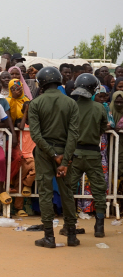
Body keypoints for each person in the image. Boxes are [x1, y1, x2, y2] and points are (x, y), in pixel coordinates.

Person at [28, 67, 79, 248]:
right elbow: (74, 134)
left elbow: (35, 135)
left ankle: (49, 236)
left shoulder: (35, 104)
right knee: (67, 192)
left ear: (41, 83)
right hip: (66, 152)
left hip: (44, 152)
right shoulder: (71, 103)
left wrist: (53, 155)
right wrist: (64, 160)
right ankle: (71, 235)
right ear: (58, 81)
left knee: (45, 192)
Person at [68, 74, 108, 238]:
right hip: (93, 154)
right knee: (99, 190)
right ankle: (99, 226)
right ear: (94, 89)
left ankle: (69, 225)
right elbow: (102, 128)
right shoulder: (99, 107)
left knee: (68, 189)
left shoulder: (71, 106)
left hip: (75, 153)